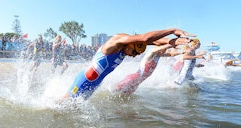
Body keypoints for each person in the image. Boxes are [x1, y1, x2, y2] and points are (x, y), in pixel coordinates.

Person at [61, 28, 195, 100]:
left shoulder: (127, 47)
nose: (133, 55)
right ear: (130, 44)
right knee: (61, 106)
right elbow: (145, 38)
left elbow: (152, 42)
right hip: (85, 81)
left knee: (74, 110)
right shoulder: (115, 42)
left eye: (137, 54)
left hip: (94, 84)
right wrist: (172, 30)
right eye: (134, 52)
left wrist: (171, 42)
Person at [113, 38, 185, 96]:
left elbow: (171, 54)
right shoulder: (151, 54)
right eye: (164, 49)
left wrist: (182, 52)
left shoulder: (158, 56)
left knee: (123, 98)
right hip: (133, 79)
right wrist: (170, 44)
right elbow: (153, 50)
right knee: (114, 92)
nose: (165, 51)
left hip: (137, 82)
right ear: (160, 48)